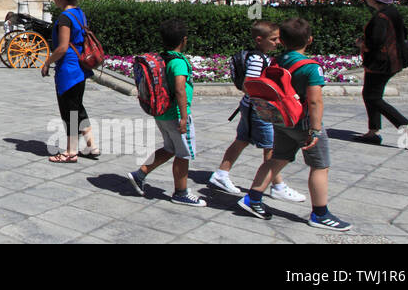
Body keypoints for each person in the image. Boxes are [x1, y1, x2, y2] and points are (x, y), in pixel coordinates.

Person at [238, 18, 351, 231]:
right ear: (309, 39)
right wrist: (315, 130)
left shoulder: (276, 61)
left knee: (277, 159)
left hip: (281, 119)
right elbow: (315, 100)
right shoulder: (311, 68)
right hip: (303, 122)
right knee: (320, 166)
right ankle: (320, 214)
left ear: (282, 40)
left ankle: (252, 198)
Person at [208, 21, 305, 203]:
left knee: (242, 140)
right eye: (274, 39)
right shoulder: (257, 59)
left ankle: (221, 174)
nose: (277, 42)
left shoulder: (259, 56)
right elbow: (250, 84)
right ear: (260, 40)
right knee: (271, 148)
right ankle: (277, 186)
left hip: (252, 106)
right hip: (258, 109)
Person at [128, 18, 206, 207]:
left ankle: (140, 174)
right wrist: (184, 116)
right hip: (176, 115)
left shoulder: (162, 58)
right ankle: (181, 192)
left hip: (161, 113)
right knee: (183, 154)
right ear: (184, 40)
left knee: (170, 148)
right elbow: (179, 88)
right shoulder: (178, 62)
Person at [354, 0, 408, 150]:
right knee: (370, 93)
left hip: (381, 62)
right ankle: (373, 131)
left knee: (373, 97)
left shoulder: (381, 17)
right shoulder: (392, 12)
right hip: (392, 60)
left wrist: (362, 44)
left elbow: (375, 41)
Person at [41, 0, 98, 162]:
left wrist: (47, 62)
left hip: (68, 69)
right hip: (80, 68)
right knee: (77, 107)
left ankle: (70, 152)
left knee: (69, 111)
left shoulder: (65, 18)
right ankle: (91, 145)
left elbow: (62, 48)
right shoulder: (79, 13)